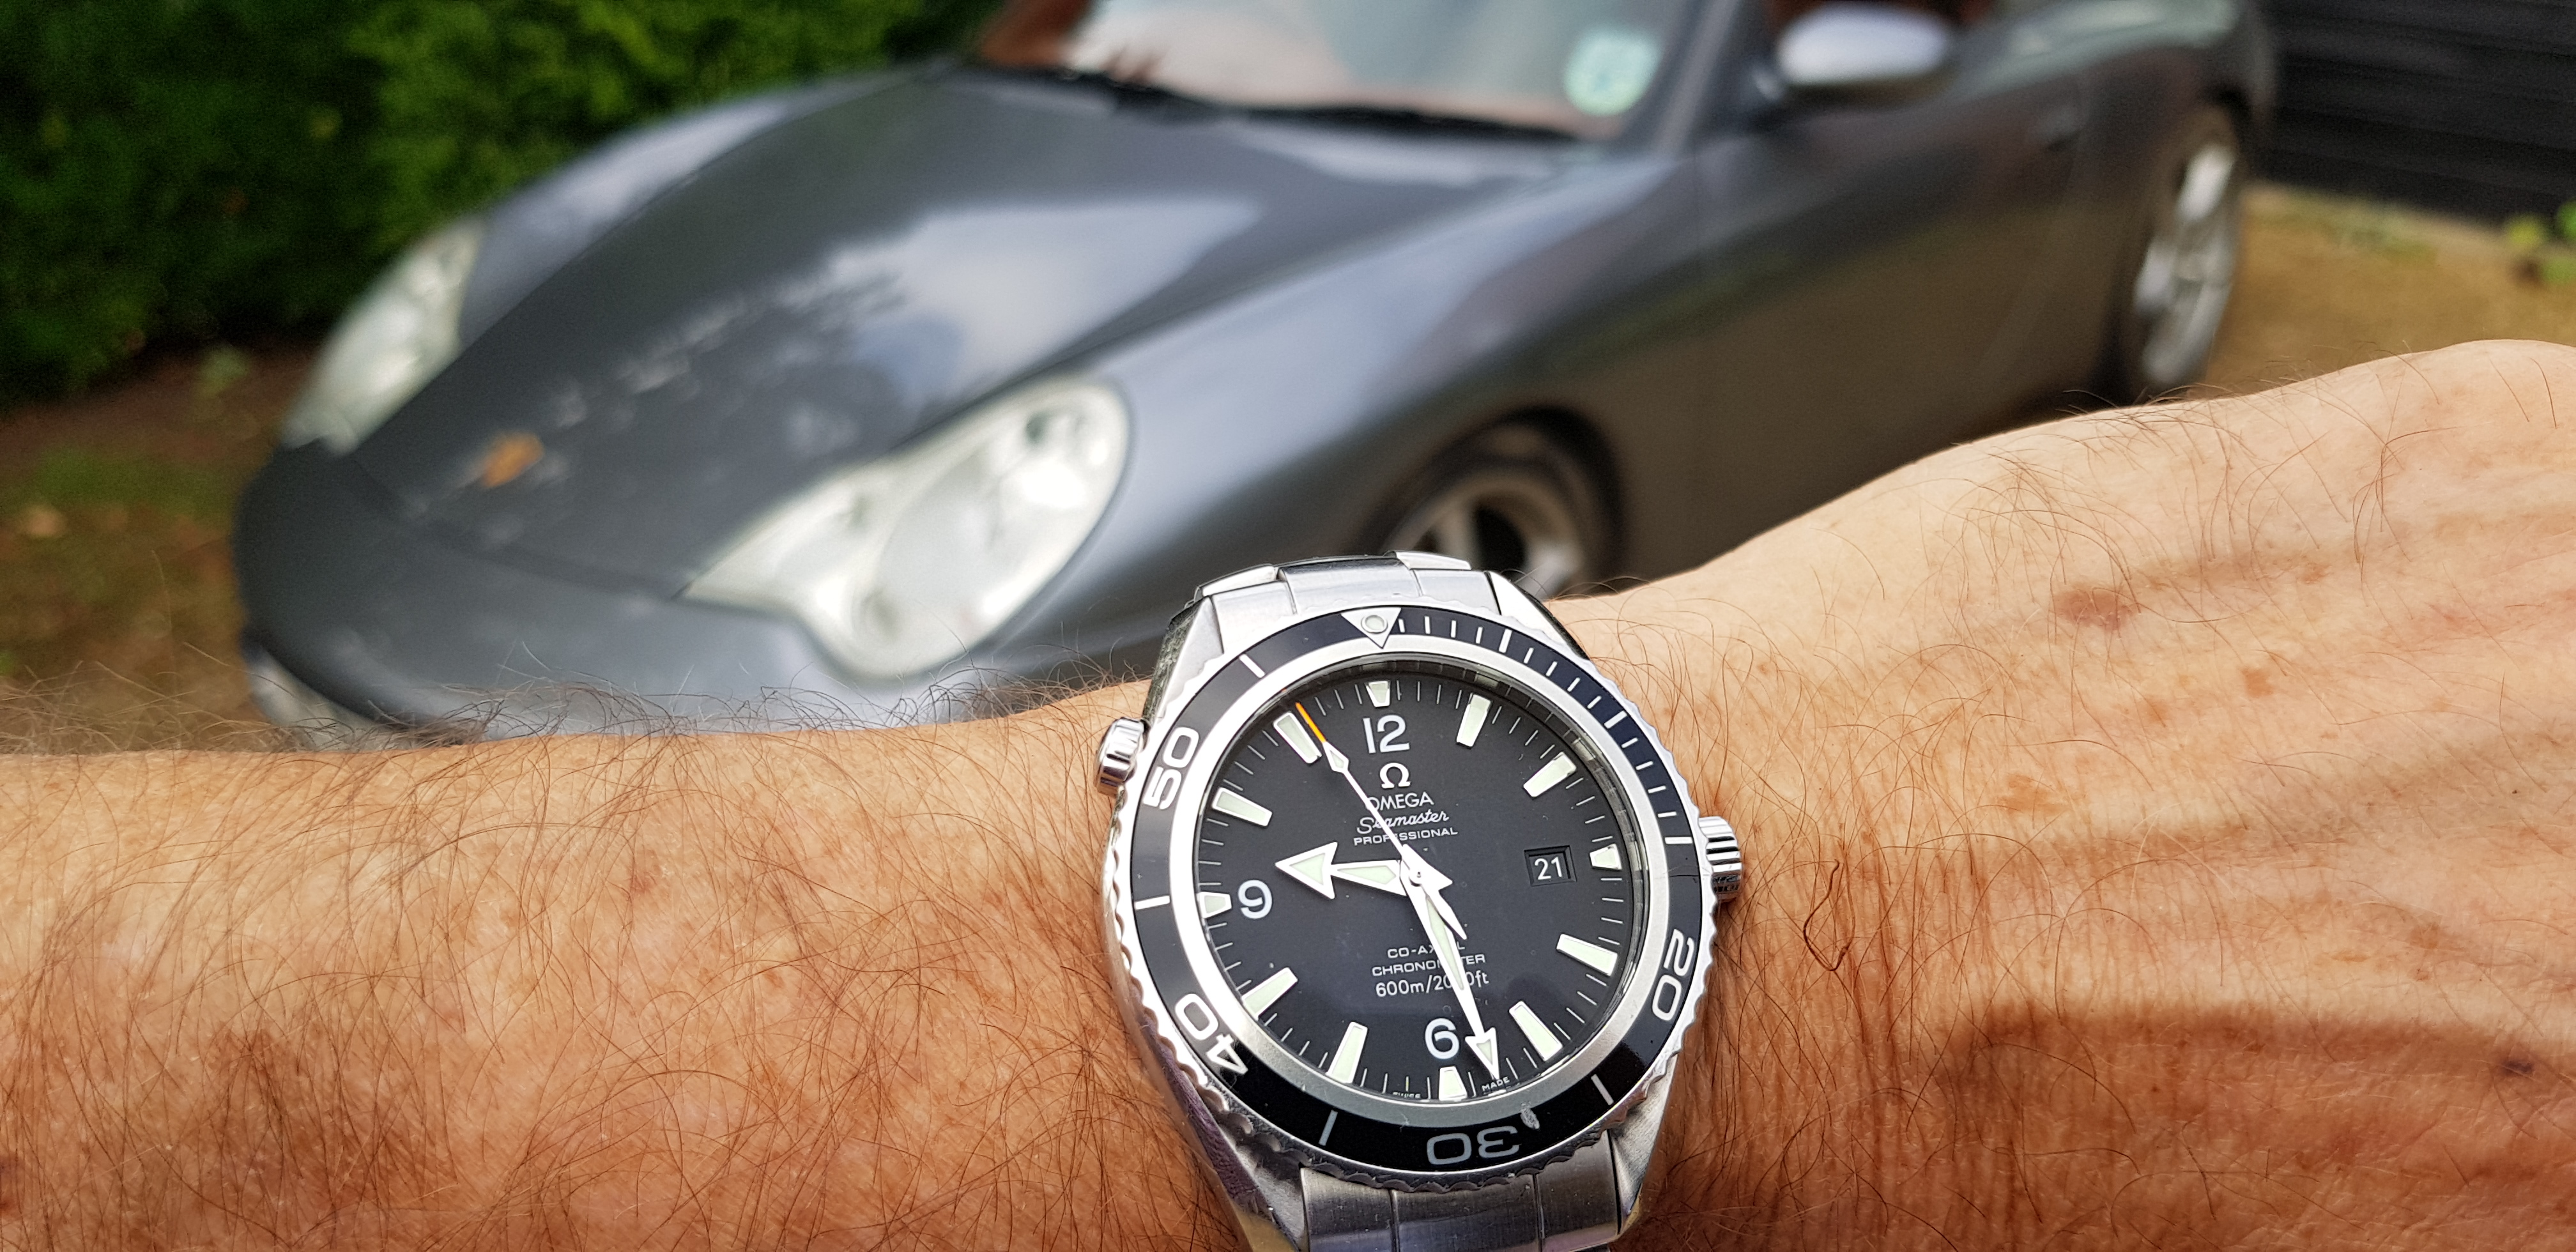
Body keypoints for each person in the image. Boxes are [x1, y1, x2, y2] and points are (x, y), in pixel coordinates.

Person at [4, 340, 2572, 1249]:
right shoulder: (1186, 820)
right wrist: (1864, 987)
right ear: (1147, 790)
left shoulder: (1633, 862)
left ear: (1692, 864)